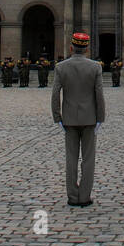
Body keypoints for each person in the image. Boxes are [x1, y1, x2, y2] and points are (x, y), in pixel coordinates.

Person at [51, 32, 105, 207]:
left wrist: (57, 117)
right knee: (88, 159)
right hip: (90, 119)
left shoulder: (61, 67)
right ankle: (84, 197)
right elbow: (99, 95)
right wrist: (100, 118)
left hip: (69, 119)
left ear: (71, 47)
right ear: (87, 48)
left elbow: (55, 94)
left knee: (71, 159)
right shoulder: (95, 67)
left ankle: (72, 197)